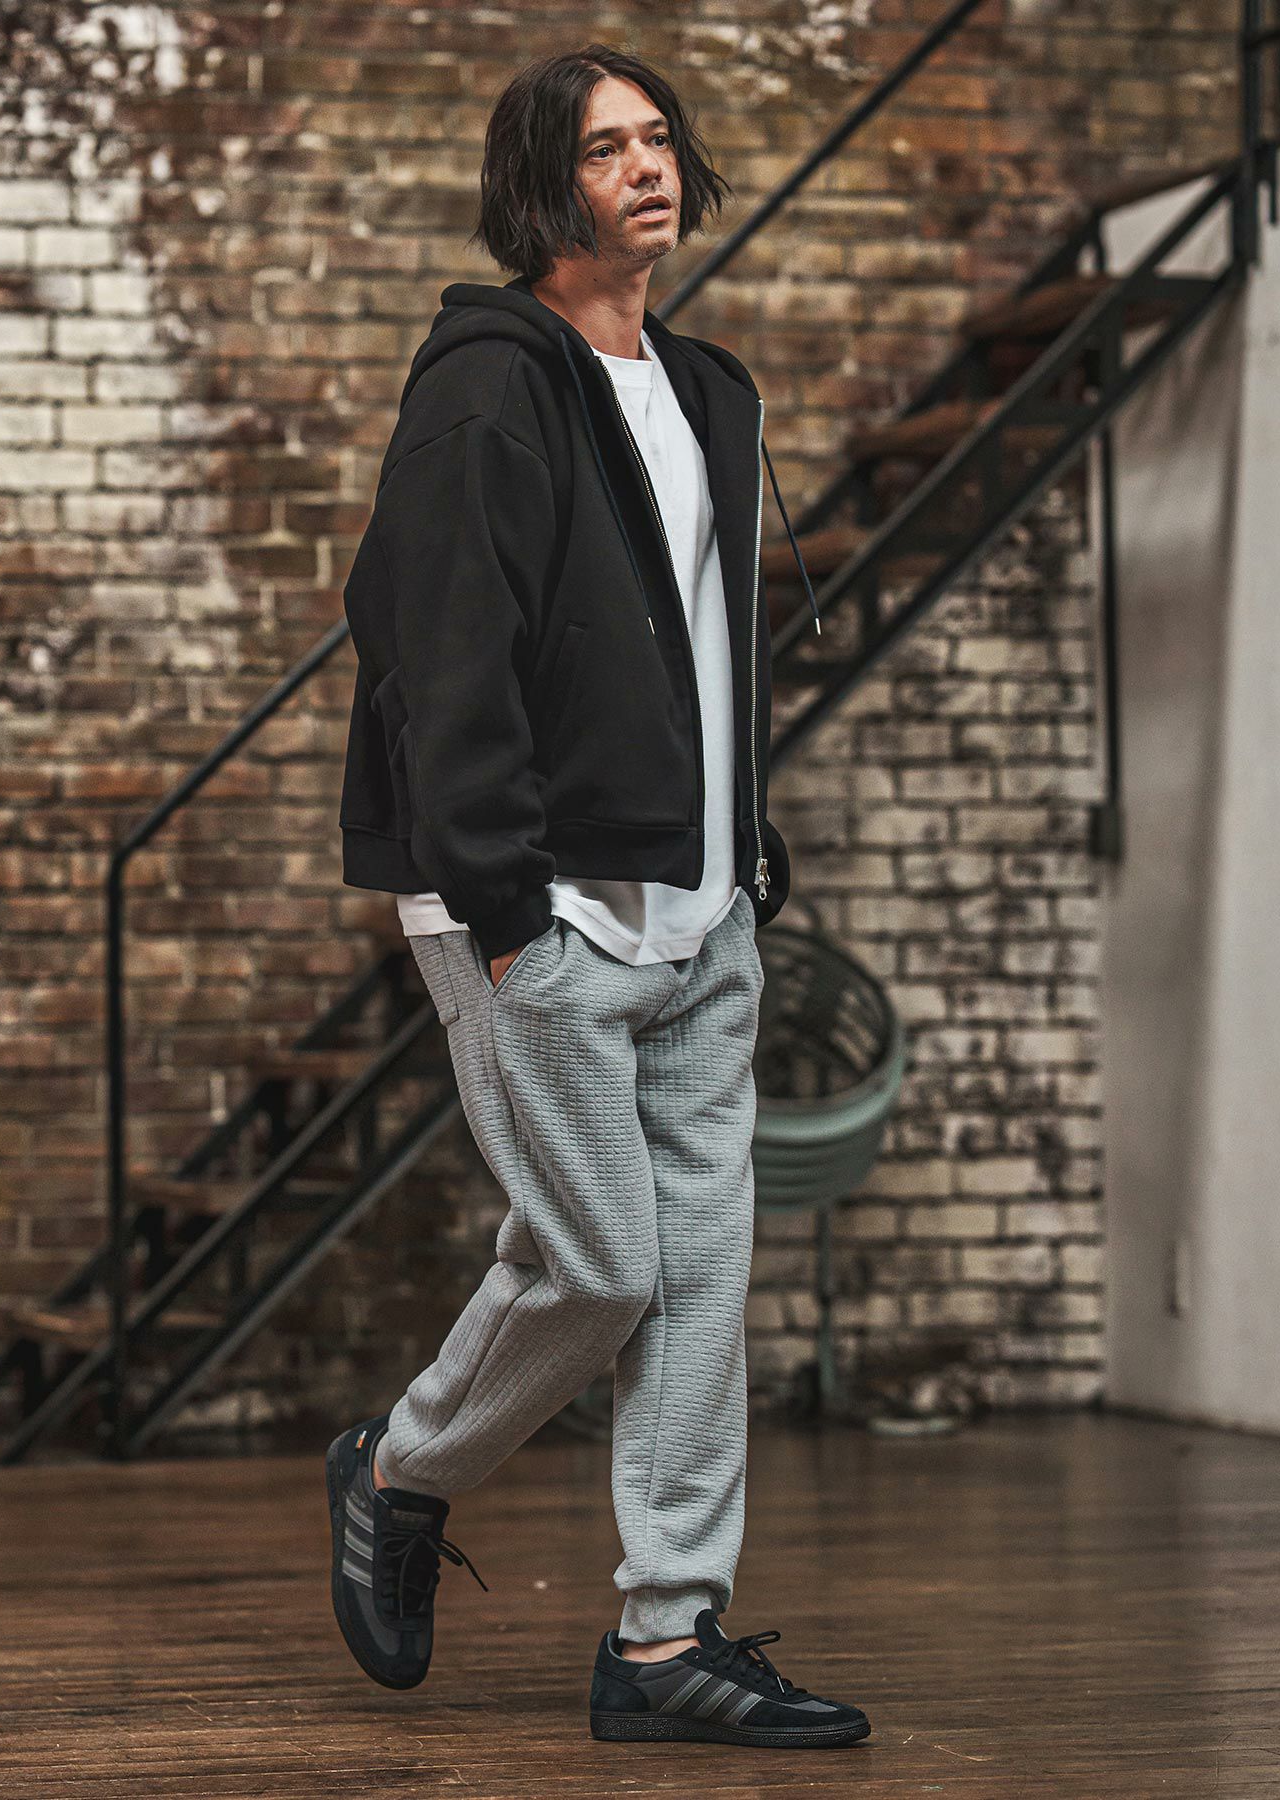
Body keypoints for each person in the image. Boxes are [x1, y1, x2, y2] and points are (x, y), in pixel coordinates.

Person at [327, 43, 869, 1750]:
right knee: (603, 1267)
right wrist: (500, 904)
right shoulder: (490, 385)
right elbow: (437, 645)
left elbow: (698, 645)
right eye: (602, 148)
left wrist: (740, 852)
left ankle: (664, 1640)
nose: (646, 168)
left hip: (700, 912)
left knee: (697, 1283)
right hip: (540, 910)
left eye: (658, 140)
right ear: (536, 188)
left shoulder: (702, 387)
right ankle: (400, 1471)